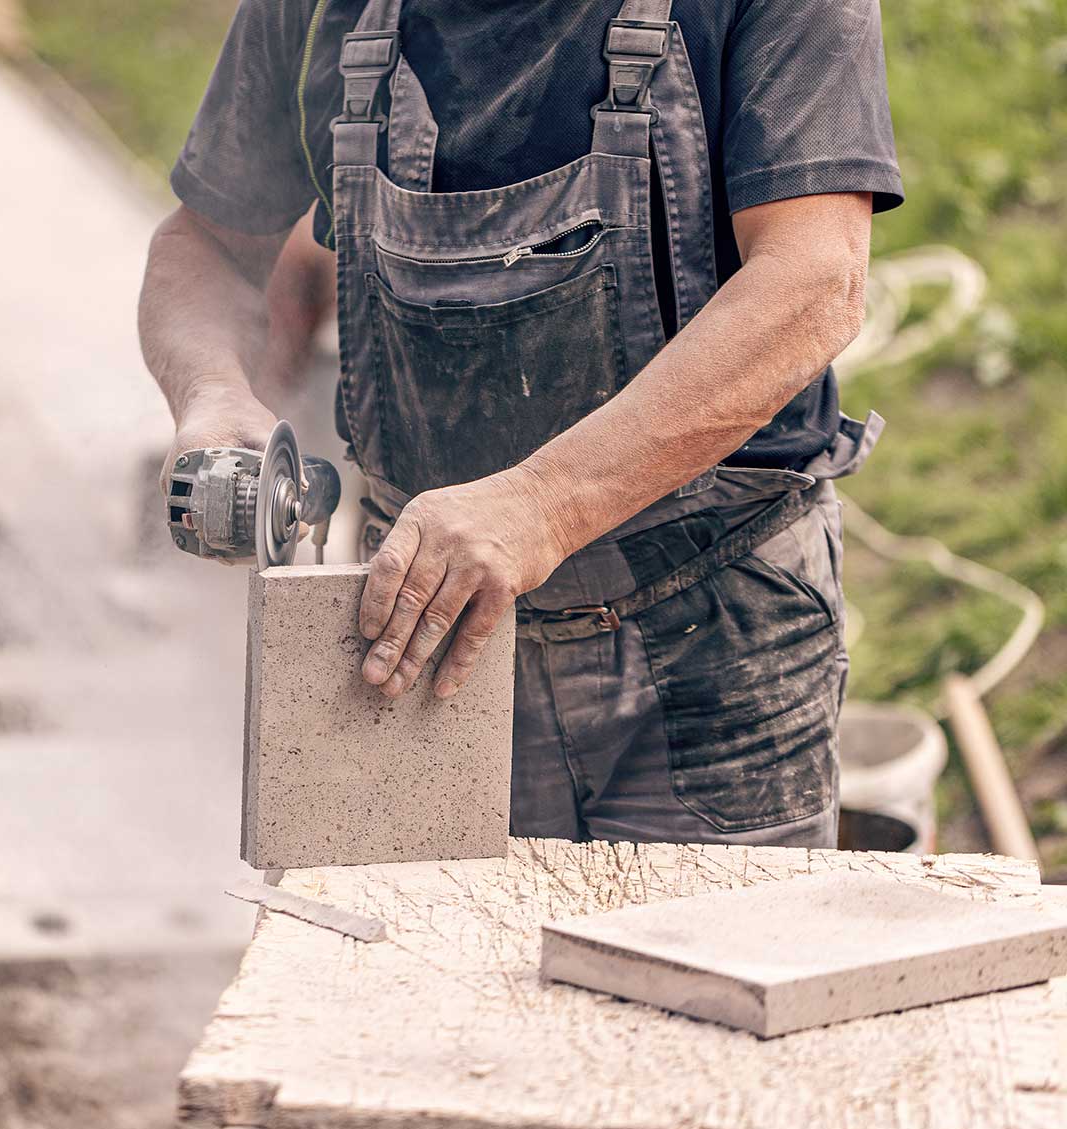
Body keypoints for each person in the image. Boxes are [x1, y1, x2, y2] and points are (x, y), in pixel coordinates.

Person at [138, 0, 903, 845]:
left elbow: (814, 281)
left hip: (712, 651)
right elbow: (205, 248)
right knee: (428, 969)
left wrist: (542, 505)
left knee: (712, 972)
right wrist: (212, 394)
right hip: (417, 643)